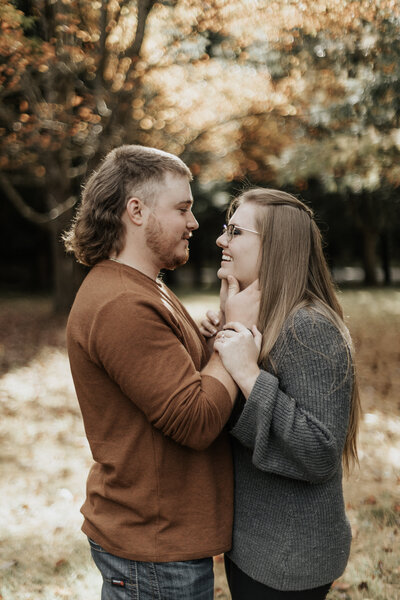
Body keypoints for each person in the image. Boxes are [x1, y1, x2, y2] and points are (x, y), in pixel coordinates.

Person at [62, 144, 257, 600]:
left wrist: (209, 342)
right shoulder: (122, 304)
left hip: (159, 544)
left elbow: (179, 381)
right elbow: (195, 419)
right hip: (153, 554)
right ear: (136, 210)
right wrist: (235, 332)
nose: (194, 223)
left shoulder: (142, 287)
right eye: (182, 208)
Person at [201, 188, 361, 600]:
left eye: (235, 231)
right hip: (254, 544)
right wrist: (221, 339)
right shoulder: (263, 318)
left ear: (275, 246)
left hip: (290, 557)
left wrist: (247, 372)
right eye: (225, 229)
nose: (221, 240)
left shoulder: (308, 326)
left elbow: (321, 452)